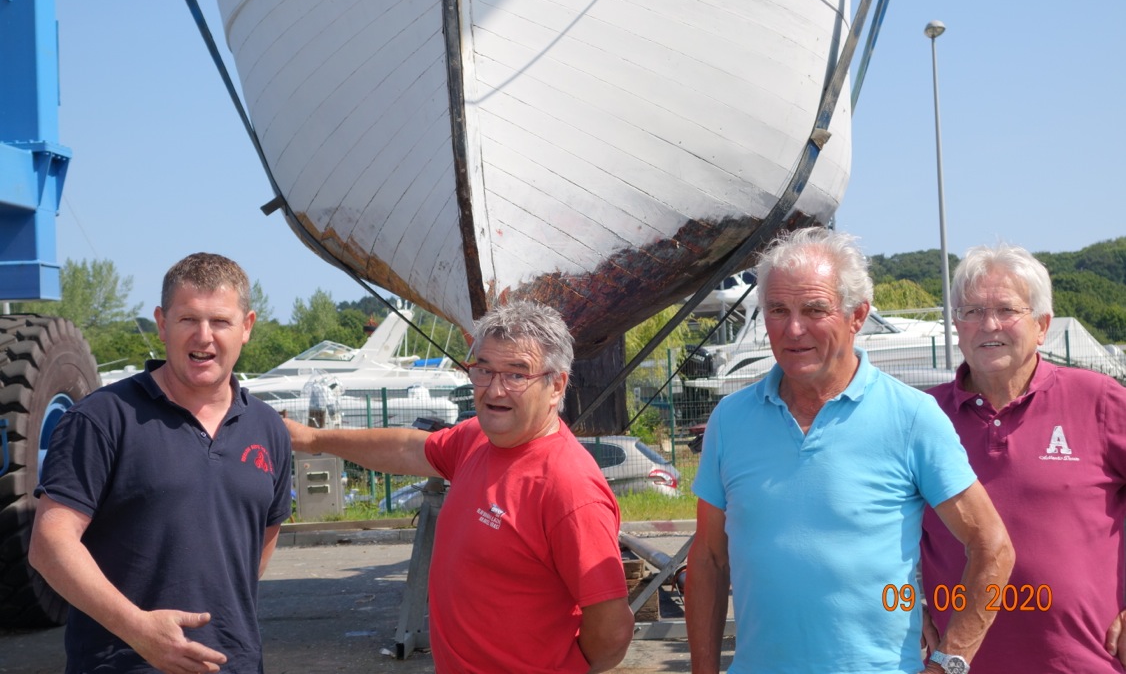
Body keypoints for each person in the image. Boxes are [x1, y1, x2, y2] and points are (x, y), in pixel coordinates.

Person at [686, 227, 1014, 674]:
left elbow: (994, 547)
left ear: (857, 315)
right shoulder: (730, 420)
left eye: (814, 309)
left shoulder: (912, 417)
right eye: (777, 310)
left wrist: (949, 662)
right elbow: (707, 557)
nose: (793, 328)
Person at [285, 300, 634, 673]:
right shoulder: (477, 439)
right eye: (484, 370)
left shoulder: (569, 488)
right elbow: (406, 448)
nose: (494, 390)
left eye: (516, 375)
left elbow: (612, 631)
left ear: (555, 386)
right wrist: (313, 439)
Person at [29, 253, 292, 674]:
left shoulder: (268, 429)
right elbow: (49, 544)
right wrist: (138, 629)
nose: (203, 337)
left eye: (220, 322)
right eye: (188, 319)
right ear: (162, 323)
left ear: (246, 327)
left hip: (235, 664)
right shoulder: (102, 419)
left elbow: (259, 542)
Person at [920, 243, 1126, 672]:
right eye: (971, 311)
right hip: (958, 664)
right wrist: (899, 608)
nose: (987, 324)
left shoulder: (1099, 400)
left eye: (1006, 310)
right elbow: (872, 525)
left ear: (1042, 325)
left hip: (1084, 663)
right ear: (955, 324)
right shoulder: (920, 416)